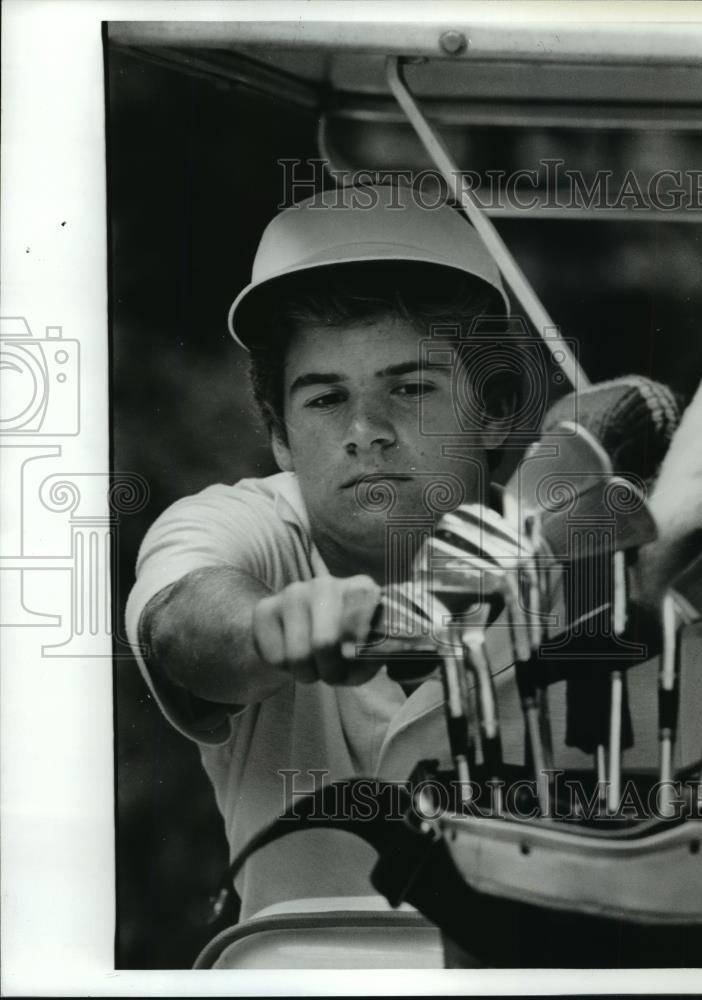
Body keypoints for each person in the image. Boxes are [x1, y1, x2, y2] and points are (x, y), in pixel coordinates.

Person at [125, 183, 532, 921]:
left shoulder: (586, 553)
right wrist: (269, 631)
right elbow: (180, 621)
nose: (365, 429)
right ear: (279, 436)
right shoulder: (243, 527)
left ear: (496, 410)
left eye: (408, 387)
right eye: (323, 398)